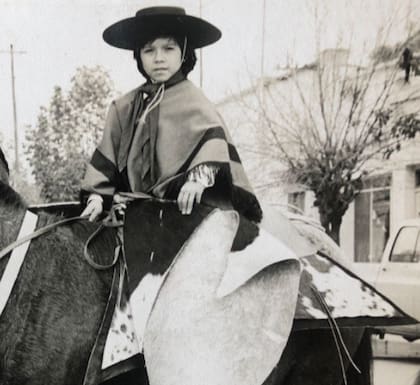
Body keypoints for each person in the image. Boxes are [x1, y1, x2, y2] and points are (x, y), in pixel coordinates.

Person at [81, 6, 262, 223]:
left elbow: (212, 146)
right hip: (129, 218)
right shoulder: (123, 107)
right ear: (138, 55)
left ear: (183, 52)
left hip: (183, 214)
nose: (159, 58)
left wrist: (197, 180)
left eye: (168, 48)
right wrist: (97, 197)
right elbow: (106, 161)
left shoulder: (196, 103)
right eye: (149, 50)